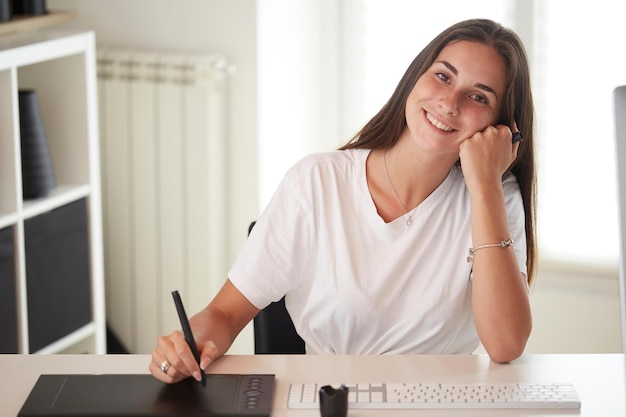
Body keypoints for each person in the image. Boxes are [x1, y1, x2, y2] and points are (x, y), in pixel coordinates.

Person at [150, 18, 537, 384]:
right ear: (415, 77)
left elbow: (505, 345)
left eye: (478, 97)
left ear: (501, 129)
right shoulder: (317, 182)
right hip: (329, 400)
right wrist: (186, 347)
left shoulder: (495, 200)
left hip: (438, 401)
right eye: (442, 76)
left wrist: (484, 185)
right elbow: (224, 313)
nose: (450, 103)